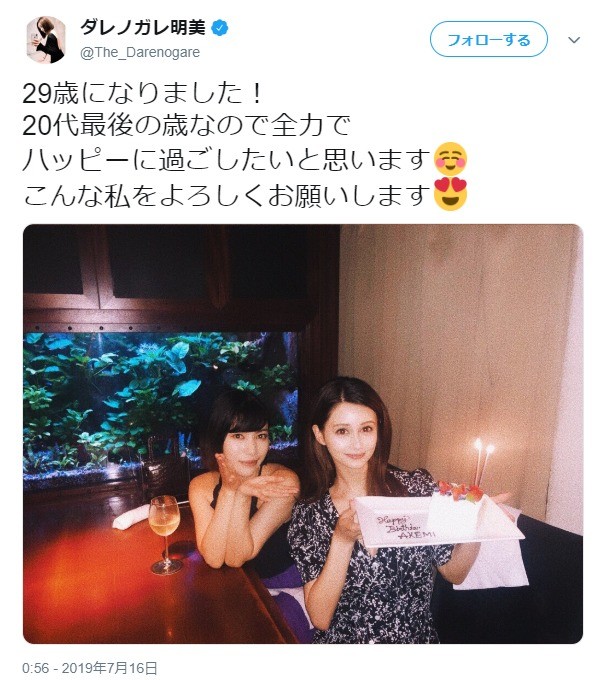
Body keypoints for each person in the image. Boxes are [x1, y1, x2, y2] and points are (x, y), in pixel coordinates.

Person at [287, 376, 481, 644]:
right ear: (320, 435)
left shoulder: (417, 490)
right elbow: (321, 617)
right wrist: (342, 540)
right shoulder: (310, 513)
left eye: (366, 429)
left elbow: (454, 573)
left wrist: (477, 525)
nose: (357, 443)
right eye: (342, 431)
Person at [189, 389, 314, 642]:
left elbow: (238, 556)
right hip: (246, 590)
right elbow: (214, 557)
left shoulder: (282, 481)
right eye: (238, 436)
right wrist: (230, 489)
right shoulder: (201, 486)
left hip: (294, 588)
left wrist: (243, 493)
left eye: (261, 435)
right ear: (218, 439)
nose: (252, 449)